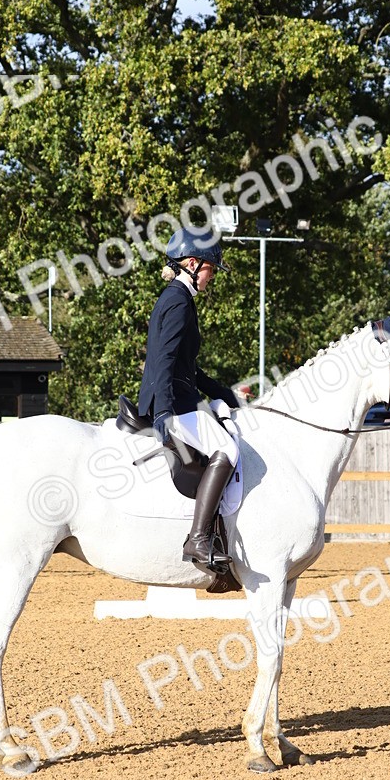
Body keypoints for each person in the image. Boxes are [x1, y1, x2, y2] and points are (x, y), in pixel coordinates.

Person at [138, 226, 240, 566]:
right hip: (174, 404)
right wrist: (164, 412)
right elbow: (164, 360)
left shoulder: (176, 298)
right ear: (193, 264)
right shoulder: (179, 302)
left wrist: (222, 392)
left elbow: (186, 366)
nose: (212, 277)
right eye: (211, 268)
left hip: (180, 397)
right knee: (227, 448)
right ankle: (197, 539)